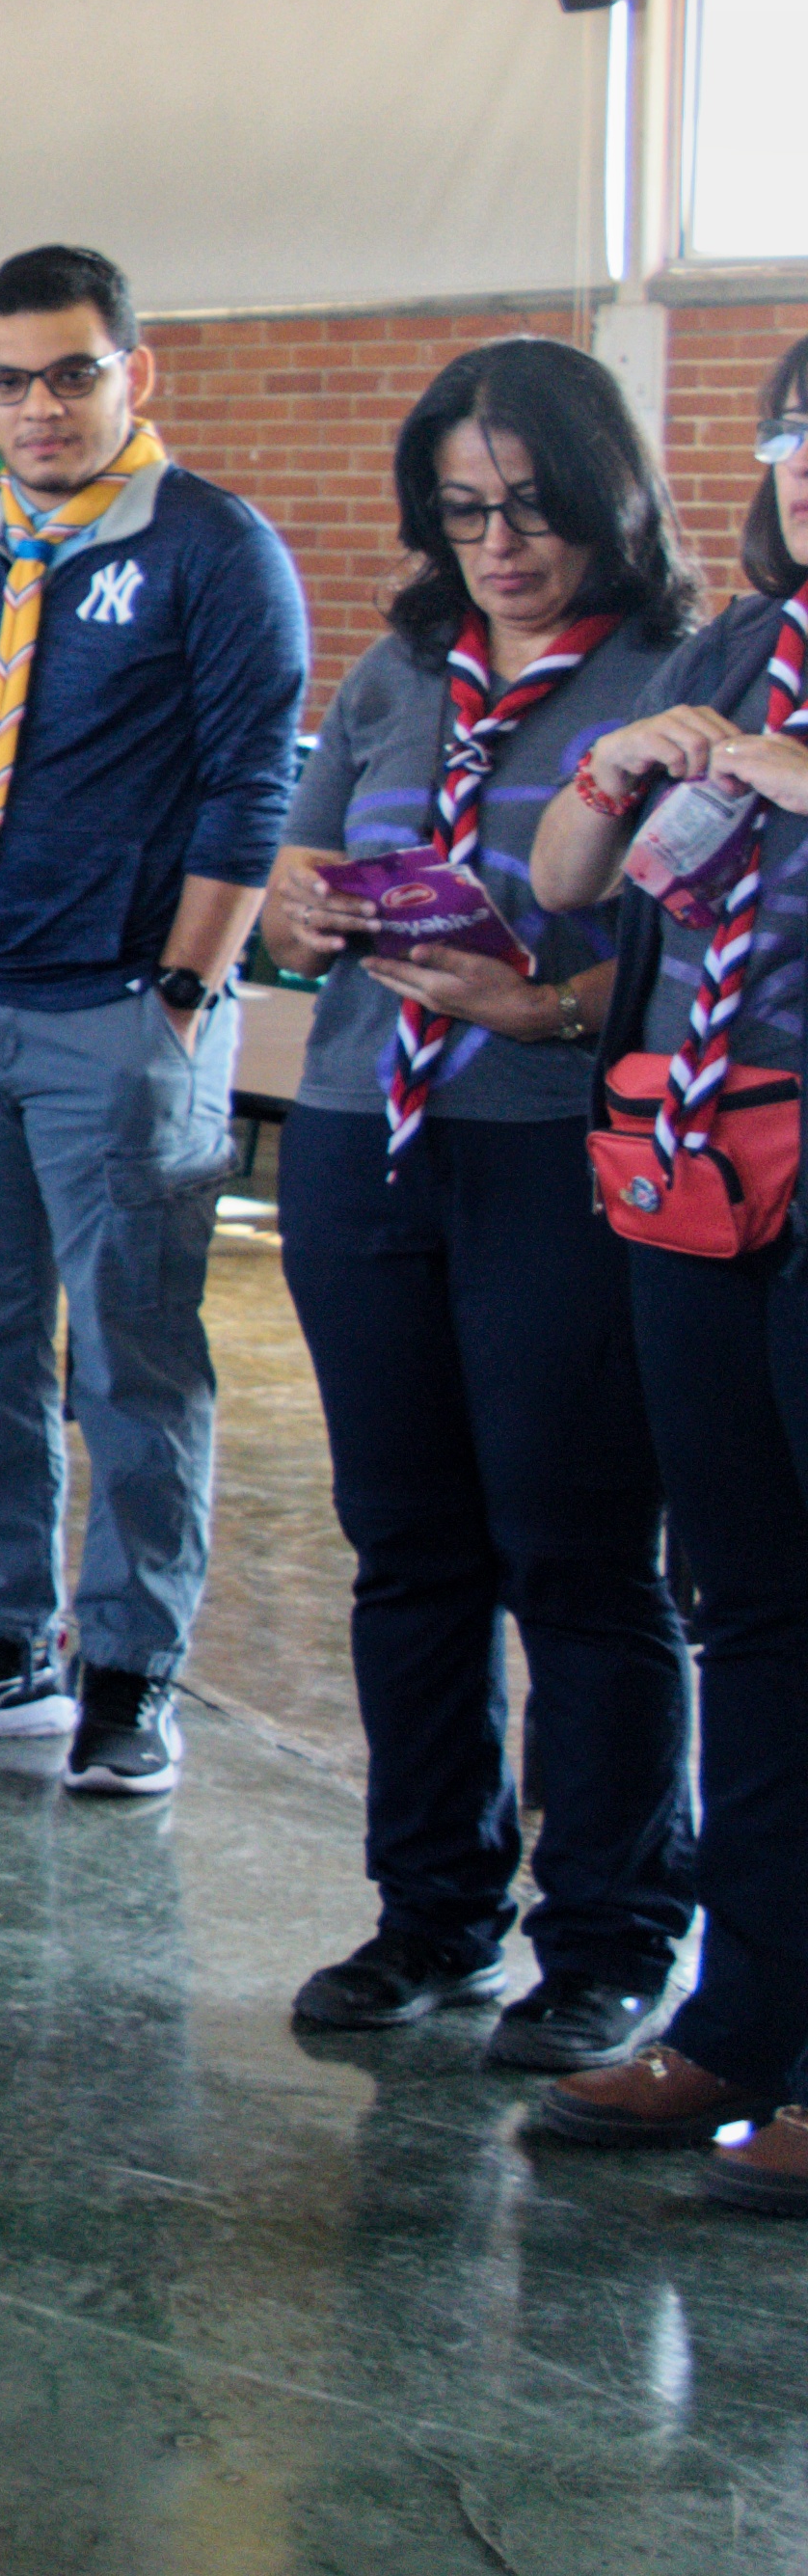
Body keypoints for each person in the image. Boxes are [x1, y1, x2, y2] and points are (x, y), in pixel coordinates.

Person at [257, 337, 694, 2061]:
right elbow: (300, 872)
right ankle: (430, 1913)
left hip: (553, 1146)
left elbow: (706, 955)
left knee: (578, 1551)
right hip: (369, 1133)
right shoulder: (394, 673)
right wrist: (299, 920)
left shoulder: (675, 676)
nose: (500, 546)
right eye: (464, 513)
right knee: (410, 1545)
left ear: (607, 497)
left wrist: (552, 1008)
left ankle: (607, 1936)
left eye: (532, 509)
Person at [0, 241, 309, 1795]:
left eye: (70, 374)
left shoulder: (213, 547)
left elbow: (255, 782)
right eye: (7, 379)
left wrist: (186, 987)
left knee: (133, 1361)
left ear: (135, 374)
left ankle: (131, 1667)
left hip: (119, 1013)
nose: (38, 407)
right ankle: (1, 1637)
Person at [511, 329, 808, 2208]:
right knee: (753, 1608)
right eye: (804, 438)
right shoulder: (732, 650)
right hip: (705, 1168)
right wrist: (621, 768)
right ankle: (738, 2021)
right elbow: (562, 882)